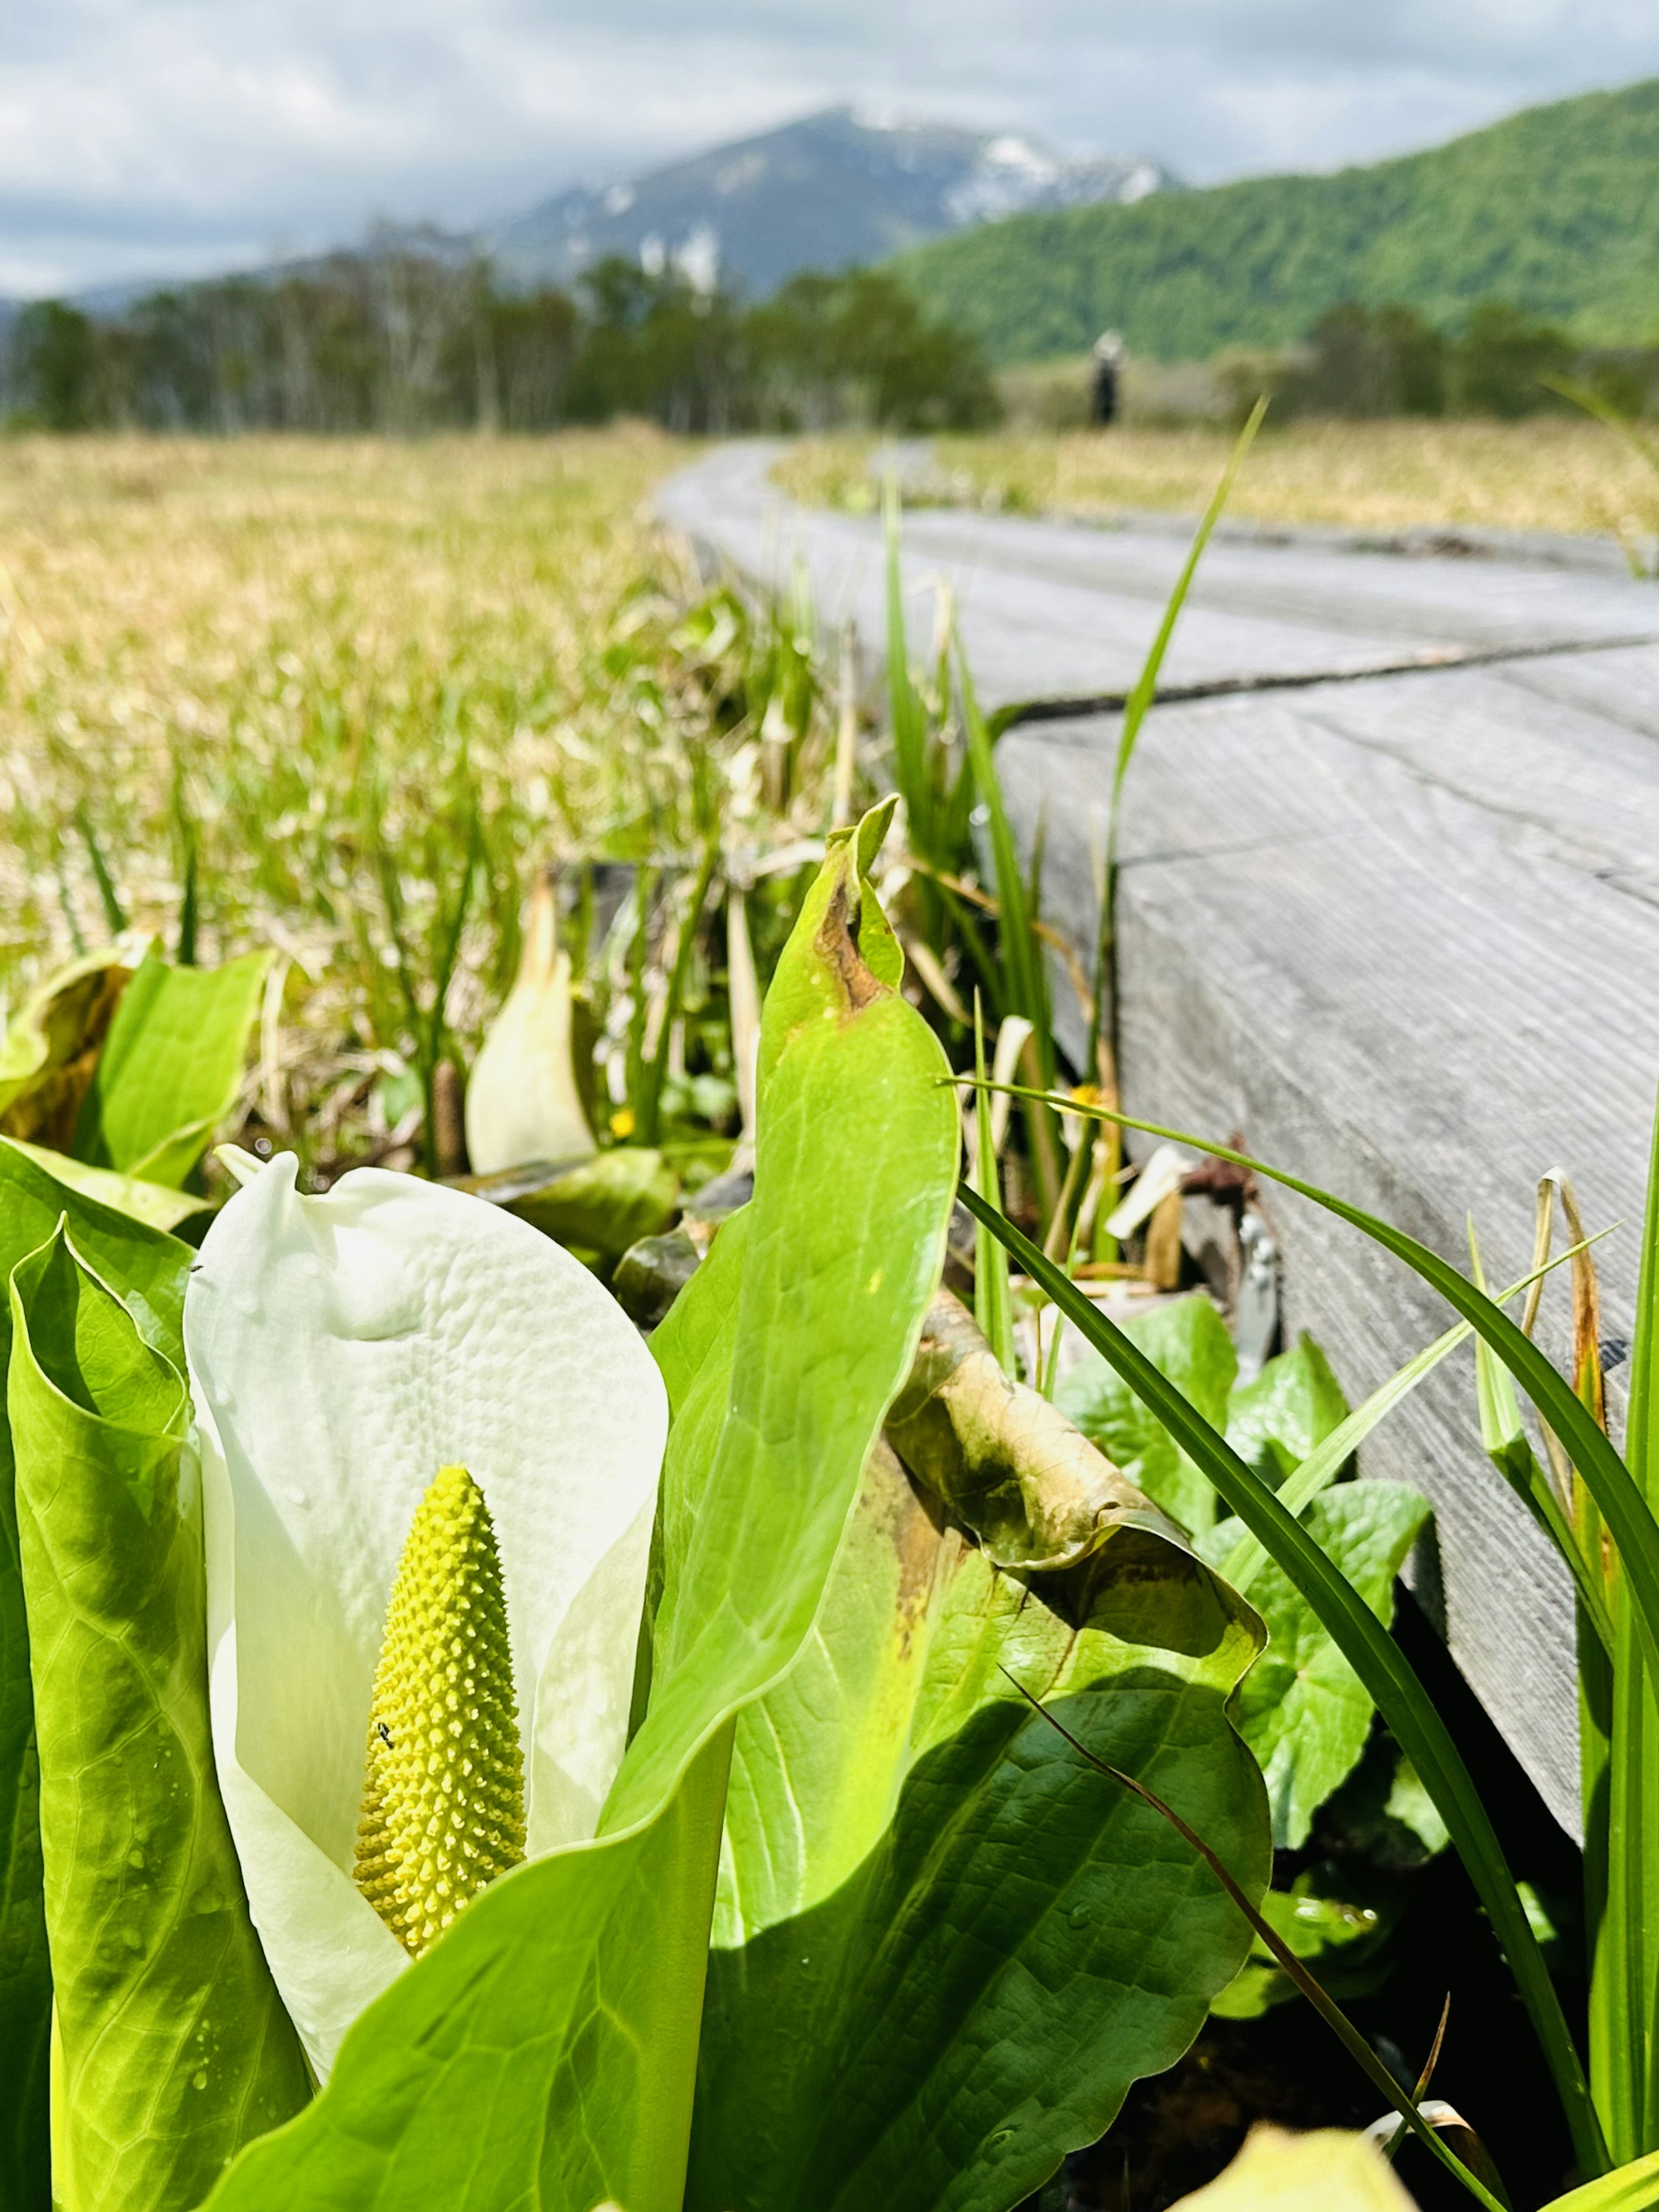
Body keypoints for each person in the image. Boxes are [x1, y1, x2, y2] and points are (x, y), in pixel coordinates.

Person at [1090, 331, 1125, 426]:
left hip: (1109, 384)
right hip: (1102, 384)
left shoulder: (1113, 353)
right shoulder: (1102, 352)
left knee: (1111, 402)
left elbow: (1119, 368)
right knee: (1100, 403)